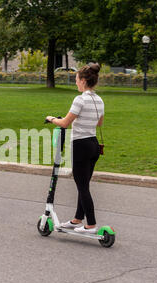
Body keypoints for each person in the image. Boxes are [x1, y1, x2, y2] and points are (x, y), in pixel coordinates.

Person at [46, 63, 104, 234]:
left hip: (81, 145)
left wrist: (50, 119)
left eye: (77, 80)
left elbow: (64, 123)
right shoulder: (99, 99)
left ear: (84, 81)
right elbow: (99, 122)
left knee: (82, 186)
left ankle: (91, 225)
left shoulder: (80, 99)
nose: (76, 83)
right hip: (93, 144)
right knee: (84, 184)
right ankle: (77, 219)